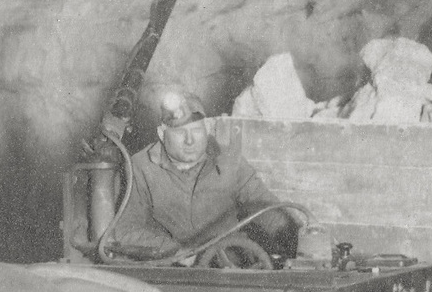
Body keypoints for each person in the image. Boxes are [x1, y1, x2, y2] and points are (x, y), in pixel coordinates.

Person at [95, 84, 299, 265]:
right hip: (172, 273)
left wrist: (294, 235)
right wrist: (173, 251)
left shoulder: (230, 163)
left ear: (208, 127)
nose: (190, 141)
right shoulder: (140, 169)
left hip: (229, 269)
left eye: (197, 130)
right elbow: (125, 231)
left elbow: (266, 209)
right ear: (161, 133)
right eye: (180, 133)